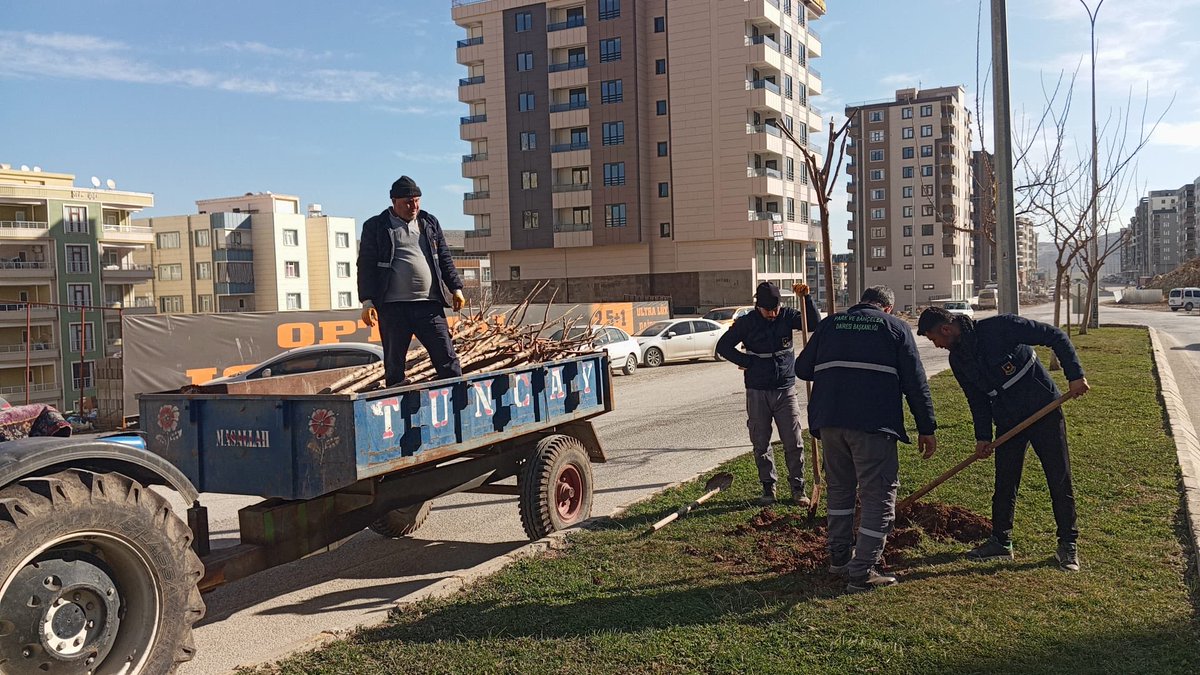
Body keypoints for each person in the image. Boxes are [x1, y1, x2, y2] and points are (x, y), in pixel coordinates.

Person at [917, 306, 1088, 572]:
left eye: (933, 339)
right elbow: (977, 400)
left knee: (1058, 477)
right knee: (1005, 480)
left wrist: (1075, 376)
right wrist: (982, 436)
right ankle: (1001, 541)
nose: (936, 345)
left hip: (1043, 408)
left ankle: (1068, 543)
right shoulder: (958, 359)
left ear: (946, 329)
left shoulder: (1001, 327)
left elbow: (1055, 336)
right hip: (1008, 419)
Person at [795, 286, 937, 592]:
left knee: (841, 491)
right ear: (887, 308)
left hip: (830, 422)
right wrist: (927, 427)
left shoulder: (831, 324)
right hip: (873, 424)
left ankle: (839, 559)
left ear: (861, 302)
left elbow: (802, 368)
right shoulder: (896, 328)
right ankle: (862, 572)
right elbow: (915, 382)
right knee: (878, 495)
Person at [716, 281, 821, 508]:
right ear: (758, 307)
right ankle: (768, 487)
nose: (772, 314)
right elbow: (723, 347)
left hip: (786, 389)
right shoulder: (746, 323)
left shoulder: (787, 316)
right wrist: (746, 362)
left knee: (793, 441)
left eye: (775, 309)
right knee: (760, 442)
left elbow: (813, 323)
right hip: (757, 390)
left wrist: (807, 299)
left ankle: (798, 487)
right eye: (767, 311)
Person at [357, 175, 467, 386]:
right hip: (393, 308)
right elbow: (366, 266)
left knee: (447, 358)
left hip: (429, 305)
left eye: (417, 200)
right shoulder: (376, 226)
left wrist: (456, 287)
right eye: (408, 202)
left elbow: (444, 257)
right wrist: (367, 301)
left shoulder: (429, 222)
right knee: (394, 364)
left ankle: (459, 404)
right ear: (394, 202)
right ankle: (397, 408)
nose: (413, 206)